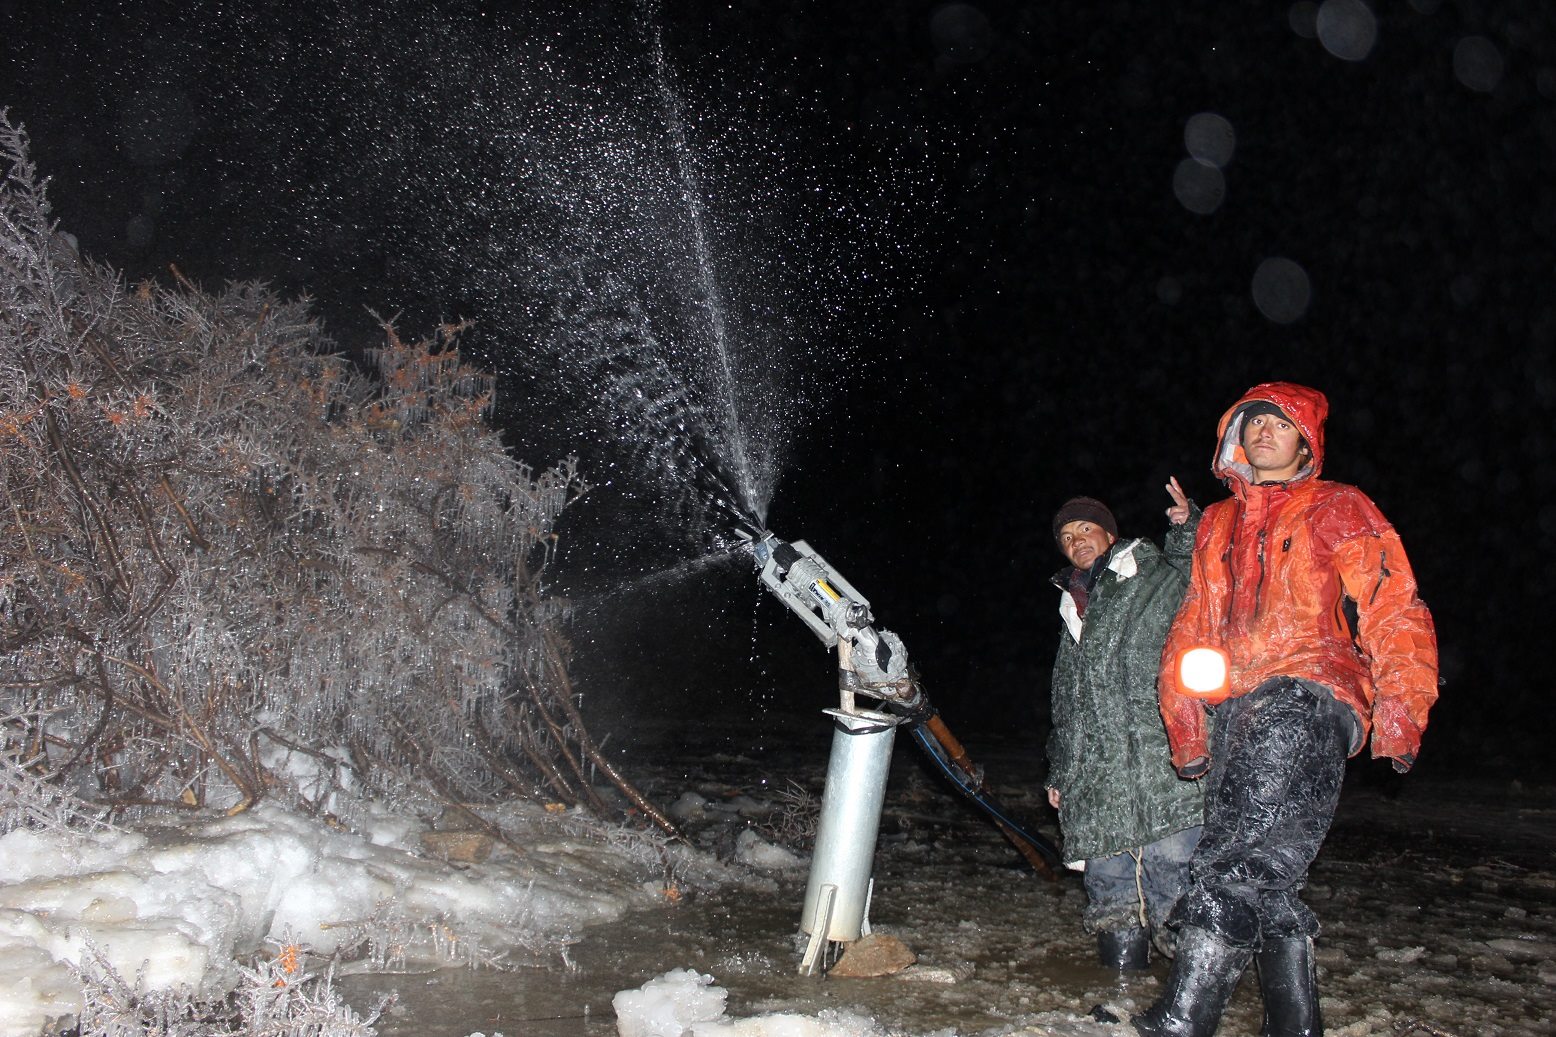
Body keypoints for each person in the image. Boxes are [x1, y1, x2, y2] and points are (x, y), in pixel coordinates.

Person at [1133, 383, 1439, 1037]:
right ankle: (1295, 1023)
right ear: (1233, 440)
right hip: (1240, 704)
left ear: (1307, 439)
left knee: (1232, 861)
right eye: (1253, 422)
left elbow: (1392, 603)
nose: (1265, 431)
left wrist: (1401, 709)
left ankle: (1186, 1016)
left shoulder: (1338, 506)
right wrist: (1186, 724)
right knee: (1269, 878)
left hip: (1311, 688)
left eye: (1281, 422)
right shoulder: (1216, 522)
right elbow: (1193, 626)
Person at [1045, 484, 1204, 971]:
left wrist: (1188, 527)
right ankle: (1118, 997)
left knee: (1174, 882)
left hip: (1163, 765)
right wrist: (1059, 771)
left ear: (1110, 535)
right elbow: (1066, 705)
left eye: (1086, 528)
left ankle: (1189, 1009)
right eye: (1068, 536)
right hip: (1097, 782)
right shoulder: (1071, 609)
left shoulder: (1151, 574)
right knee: (1110, 892)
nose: (1077, 540)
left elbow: (1198, 574)